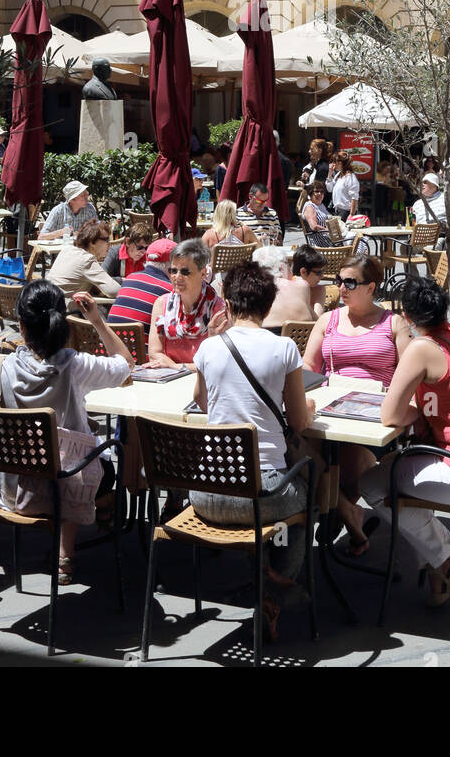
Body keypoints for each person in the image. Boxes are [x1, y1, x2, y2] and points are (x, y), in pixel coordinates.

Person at [359, 277, 450, 605]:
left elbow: (390, 417)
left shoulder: (422, 348)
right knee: (393, 480)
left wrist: (410, 410)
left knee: (371, 483)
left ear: (409, 319)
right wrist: (418, 410)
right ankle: (439, 573)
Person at [0, 281, 134, 584]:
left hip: (13, 488)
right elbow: (126, 364)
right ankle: (67, 550)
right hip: (68, 485)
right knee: (87, 455)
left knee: (57, 459)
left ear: (20, 324)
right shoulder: (77, 366)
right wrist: (97, 320)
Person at [190, 262, 316, 638]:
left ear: (227, 304)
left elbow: (199, 401)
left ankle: (264, 569)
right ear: (268, 306)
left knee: (275, 508)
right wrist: (307, 408)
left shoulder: (210, 347)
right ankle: (278, 582)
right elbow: (299, 421)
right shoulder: (283, 348)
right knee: (304, 495)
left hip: (206, 495)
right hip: (261, 497)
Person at [303, 253, 411, 554]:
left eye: (350, 282)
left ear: (371, 287)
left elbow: (410, 372)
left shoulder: (393, 324)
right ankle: (350, 515)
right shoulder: (329, 319)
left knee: (346, 454)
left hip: (376, 414)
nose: (341, 287)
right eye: (339, 281)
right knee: (302, 447)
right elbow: (308, 366)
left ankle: (340, 510)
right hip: (331, 406)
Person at [148, 238, 228, 368]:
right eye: (173, 271)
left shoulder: (218, 310)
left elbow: (218, 362)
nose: (177, 277)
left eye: (185, 272)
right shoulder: (161, 304)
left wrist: (177, 368)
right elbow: (155, 353)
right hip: (169, 382)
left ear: (203, 273)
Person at [46, 219, 121, 306]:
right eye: (106, 239)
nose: (110, 243)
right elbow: (114, 291)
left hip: (48, 306)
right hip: (66, 314)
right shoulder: (87, 260)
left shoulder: (67, 250)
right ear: (92, 242)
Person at [107, 237, 175, 328]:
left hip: (109, 340)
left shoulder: (130, 278)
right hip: (140, 341)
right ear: (173, 264)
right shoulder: (170, 291)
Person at [260, 244, 326, 329]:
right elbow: (318, 323)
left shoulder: (317, 290)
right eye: (318, 272)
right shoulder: (287, 286)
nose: (322, 276)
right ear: (303, 272)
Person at [327, 152, 360, 221]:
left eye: (334, 161)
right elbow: (329, 189)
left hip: (346, 212)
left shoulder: (350, 177)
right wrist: (330, 173)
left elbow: (354, 198)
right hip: (337, 211)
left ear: (340, 163)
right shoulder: (338, 175)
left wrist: (351, 215)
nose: (333, 164)